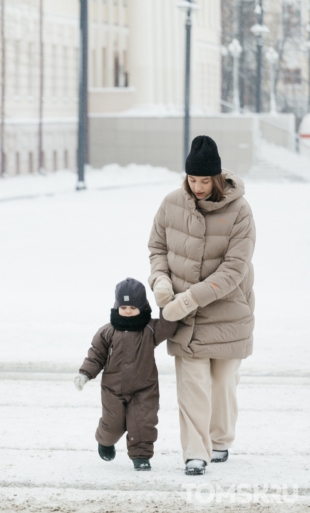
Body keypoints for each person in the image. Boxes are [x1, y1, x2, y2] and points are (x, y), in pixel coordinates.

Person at [148, 135, 256, 476]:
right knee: (192, 385)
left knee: (222, 384)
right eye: (192, 179)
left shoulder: (240, 211)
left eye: (204, 180)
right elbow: (157, 249)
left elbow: (235, 268)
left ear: (217, 178)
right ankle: (195, 453)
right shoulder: (170, 203)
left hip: (227, 312)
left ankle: (220, 439)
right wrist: (161, 281)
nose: (197, 186)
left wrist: (191, 298)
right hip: (184, 317)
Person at [75, 278, 177, 472]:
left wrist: (165, 302)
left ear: (142, 307)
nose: (128, 311)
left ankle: (141, 456)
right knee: (113, 425)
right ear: (116, 306)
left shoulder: (150, 329)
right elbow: (96, 355)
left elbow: (169, 325)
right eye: (124, 307)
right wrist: (85, 374)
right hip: (113, 389)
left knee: (143, 423)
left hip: (144, 389)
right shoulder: (107, 331)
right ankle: (105, 441)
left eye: (132, 307)